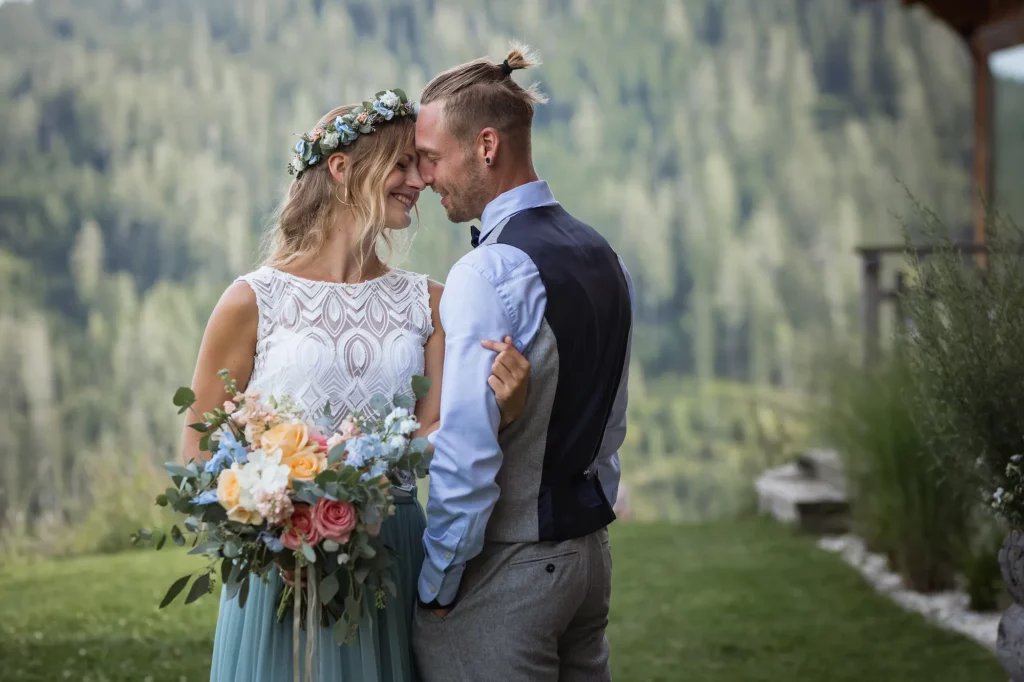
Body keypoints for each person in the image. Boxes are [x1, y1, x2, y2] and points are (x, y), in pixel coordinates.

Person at [182, 92, 531, 682]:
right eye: (401, 164)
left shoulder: (431, 303)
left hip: (388, 553)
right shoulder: (251, 301)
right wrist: (271, 524)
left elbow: (436, 435)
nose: (420, 180)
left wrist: (503, 408)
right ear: (342, 170)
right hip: (279, 565)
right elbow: (198, 456)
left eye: (421, 164)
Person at [412, 44, 633, 682]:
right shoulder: (601, 252)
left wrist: (438, 585)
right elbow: (609, 420)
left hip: (510, 575)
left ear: (485, 146)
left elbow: (467, 454)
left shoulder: (485, 272)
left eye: (432, 157)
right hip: (586, 561)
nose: (426, 177)